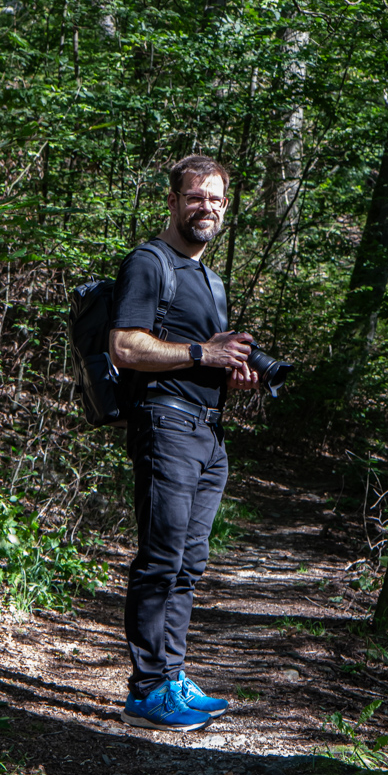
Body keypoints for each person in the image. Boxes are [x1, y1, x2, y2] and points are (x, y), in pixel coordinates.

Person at [109, 154, 259, 732]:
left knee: (190, 564)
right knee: (162, 557)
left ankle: (171, 676)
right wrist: (203, 353)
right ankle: (146, 690)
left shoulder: (210, 279)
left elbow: (201, 355)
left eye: (216, 199)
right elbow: (125, 346)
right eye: (196, 197)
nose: (208, 208)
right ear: (173, 202)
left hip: (207, 431)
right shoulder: (150, 262)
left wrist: (229, 371)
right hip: (165, 425)